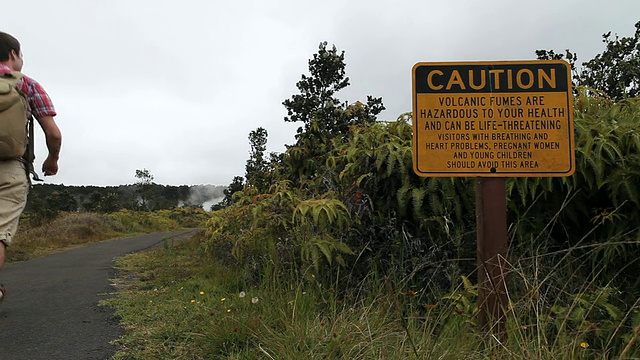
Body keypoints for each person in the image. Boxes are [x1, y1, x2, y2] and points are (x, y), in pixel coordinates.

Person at [0, 31, 62, 299]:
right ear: (13, 54)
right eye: (21, 54)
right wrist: (52, 159)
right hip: (9, 167)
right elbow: (54, 133)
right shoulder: (27, 85)